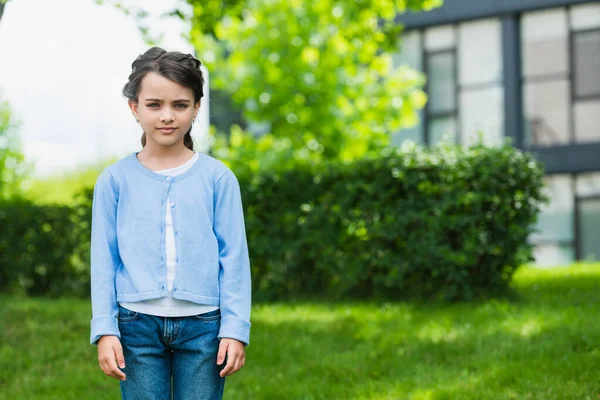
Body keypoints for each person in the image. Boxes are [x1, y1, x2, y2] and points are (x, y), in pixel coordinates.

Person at [89, 47, 251, 400]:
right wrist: (105, 328)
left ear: (196, 107)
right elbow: (104, 260)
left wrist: (235, 327)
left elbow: (234, 258)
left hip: (205, 327)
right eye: (154, 104)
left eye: (180, 105)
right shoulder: (114, 180)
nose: (167, 116)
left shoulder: (218, 178)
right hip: (135, 327)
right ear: (134, 108)